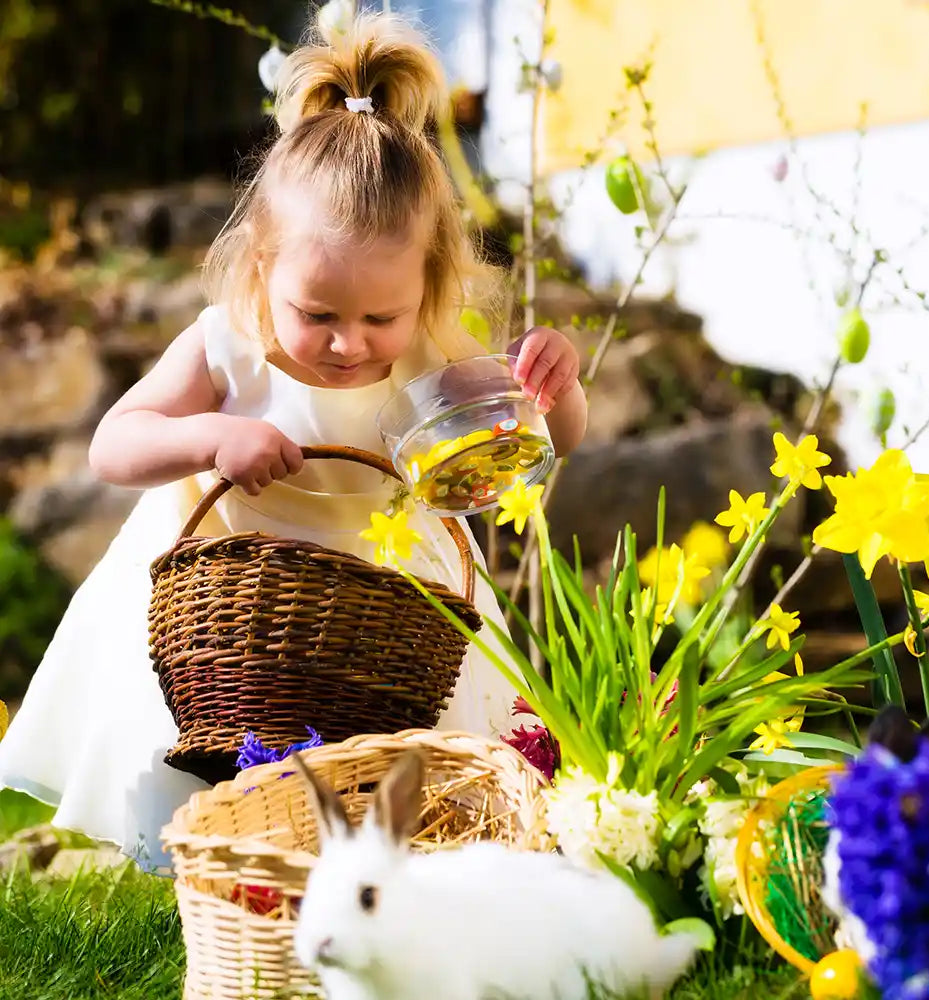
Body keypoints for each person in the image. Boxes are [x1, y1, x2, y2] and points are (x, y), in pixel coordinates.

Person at [0, 10, 586, 872]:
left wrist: (556, 389)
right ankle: (213, 876)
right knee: (211, 788)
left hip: (385, 616)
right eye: (318, 315)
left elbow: (543, 441)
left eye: (377, 317)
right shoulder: (228, 342)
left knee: (411, 803)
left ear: (423, 284)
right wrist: (211, 435)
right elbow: (112, 446)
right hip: (229, 614)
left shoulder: (433, 348)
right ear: (261, 266)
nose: (350, 343)